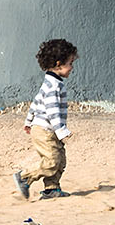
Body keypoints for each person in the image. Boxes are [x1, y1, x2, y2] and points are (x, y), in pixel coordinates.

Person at [12, 39, 77, 201]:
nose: (72, 67)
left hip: (46, 129)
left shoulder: (49, 83)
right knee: (52, 161)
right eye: (70, 63)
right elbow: (52, 110)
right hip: (45, 130)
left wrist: (28, 121)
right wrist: (61, 130)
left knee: (59, 160)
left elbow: (36, 102)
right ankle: (24, 177)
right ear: (58, 64)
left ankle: (51, 188)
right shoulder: (54, 86)